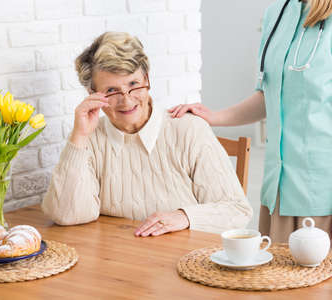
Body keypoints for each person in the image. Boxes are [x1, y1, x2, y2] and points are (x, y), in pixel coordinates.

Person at [170, 0, 332, 259]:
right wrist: (214, 116)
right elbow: (269, 97)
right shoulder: (278, 15)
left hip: (330, 200)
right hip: (279, 196)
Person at [42, 32, 253, 237]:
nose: (127, 100)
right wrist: (79, 137)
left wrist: (184, 216)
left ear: (147, 79)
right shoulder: (91, 136)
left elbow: (236, 210)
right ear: (93, 95)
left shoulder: (189, 130)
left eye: (133, 84)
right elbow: (67, 215)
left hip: (186, 261)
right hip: (120, 263)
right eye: (112, 91)